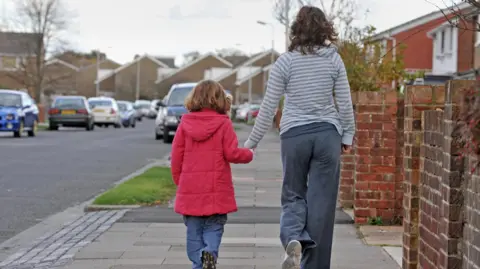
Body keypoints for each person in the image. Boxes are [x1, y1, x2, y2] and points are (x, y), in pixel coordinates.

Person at [243, 5, 355, 269]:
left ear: (296, 30)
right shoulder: (333, 59)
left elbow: (269, 106)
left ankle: (293, 238)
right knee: (322, 205)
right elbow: (344, 102)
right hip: (327, 135)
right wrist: (348, 135)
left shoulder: (285, 62)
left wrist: (251, 143)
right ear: (325, 29)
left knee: (293, 195)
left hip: (294, 135)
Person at [170, 80, 254, 269]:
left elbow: (176, 157)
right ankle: (210, 252)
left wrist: (180, 181)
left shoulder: (185, 124)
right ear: (220, 100)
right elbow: (232, 153)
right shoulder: (223, 124)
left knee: (193, 233)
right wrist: (249, 154)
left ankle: (199, 260)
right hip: (216, 190)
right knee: (214, 227)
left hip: (190, 189)